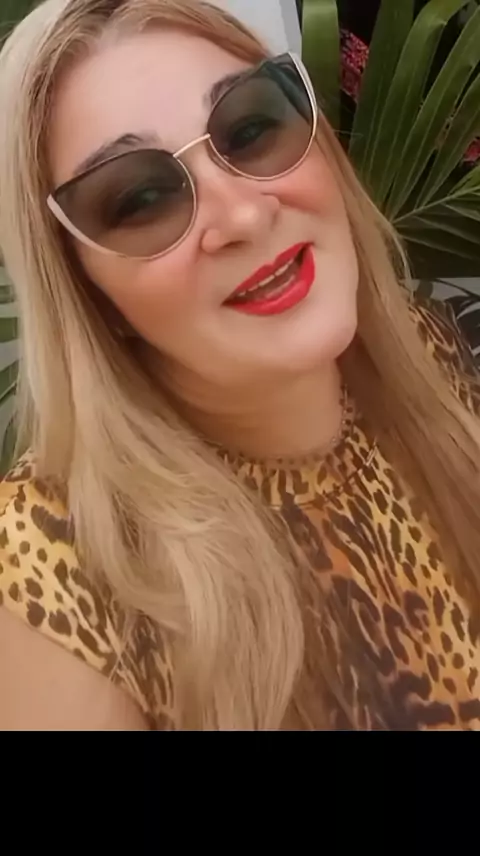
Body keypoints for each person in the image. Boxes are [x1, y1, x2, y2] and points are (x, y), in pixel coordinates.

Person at [0, 0, 479, 732]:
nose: (246, 217)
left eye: (251, 128)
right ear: (87, 292)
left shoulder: (428, 355)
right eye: (141, 199)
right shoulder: (51, 578)